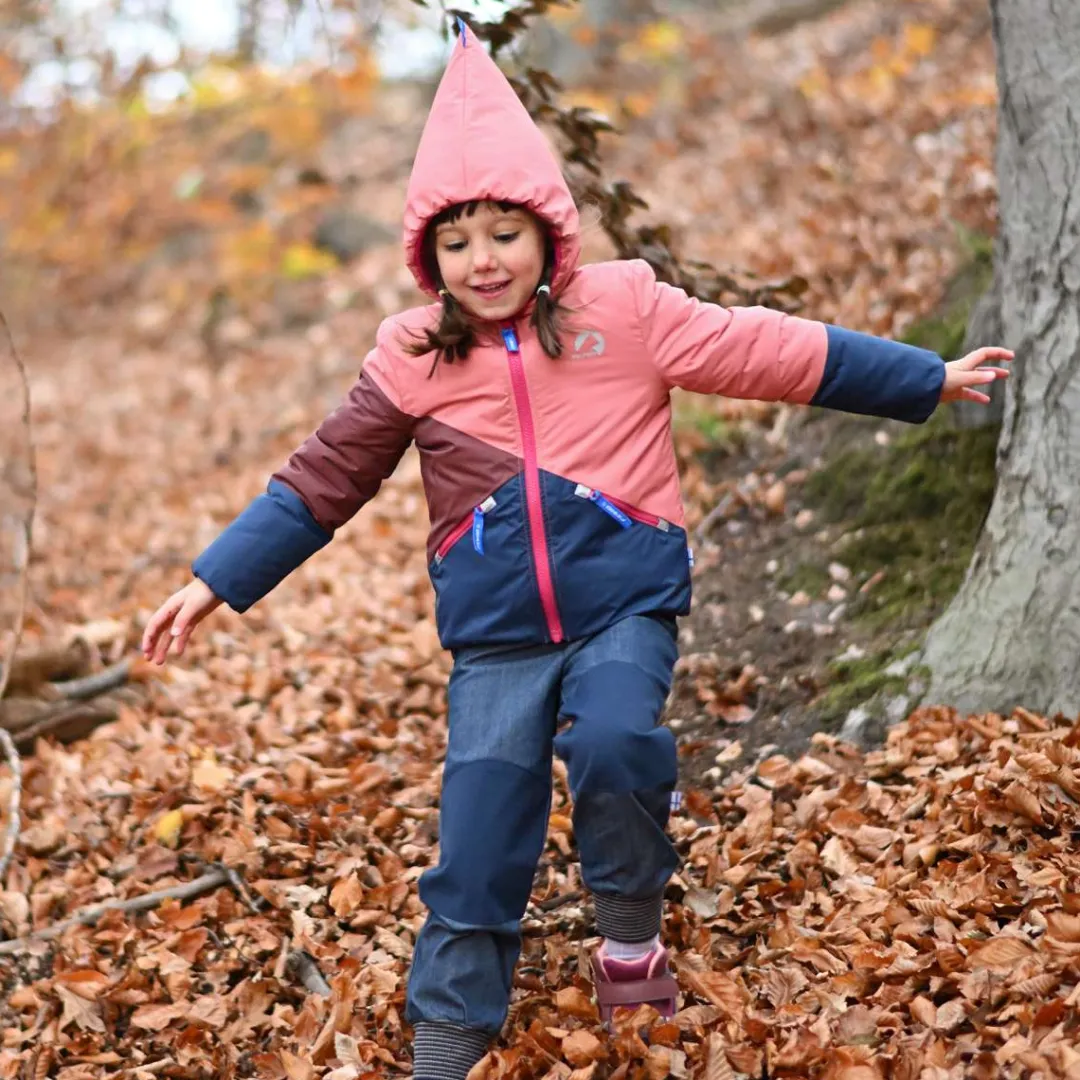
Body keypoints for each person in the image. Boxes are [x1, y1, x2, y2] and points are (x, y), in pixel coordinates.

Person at [140, 20, 1011, 1080]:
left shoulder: (628, 309)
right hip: (497, 638)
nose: (483, 260)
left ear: (548, 231)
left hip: (622, 605)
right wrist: (211, 583)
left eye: (503, 232)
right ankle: (452, 1030)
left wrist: (922, 377)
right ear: (430, 258)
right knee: (478, 827)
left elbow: (765, 349)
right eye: (456, 243)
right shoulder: (412, 356)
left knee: (614, 744)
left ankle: (631, 928)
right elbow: (324, 477)